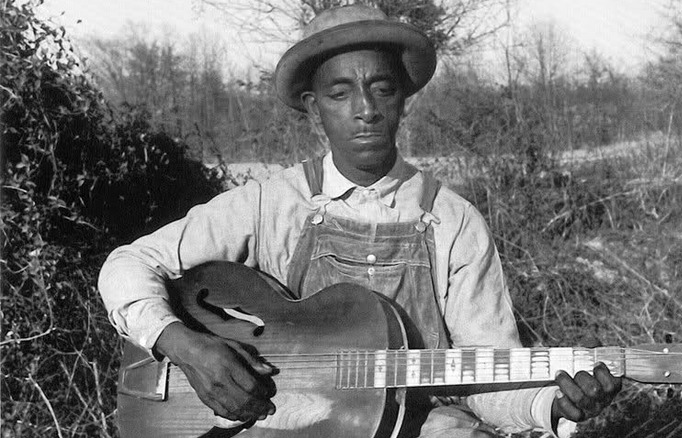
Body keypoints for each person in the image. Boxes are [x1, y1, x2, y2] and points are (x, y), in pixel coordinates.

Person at [98, 5, 620, 437]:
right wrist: (188, 347)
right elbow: (126, 265)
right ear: (313, 109)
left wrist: (552, 404)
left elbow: (493, 376)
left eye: (382, 89)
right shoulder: (268, 204)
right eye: (339, 92)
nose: (364, 109)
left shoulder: (453, 221)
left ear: (403, 103)